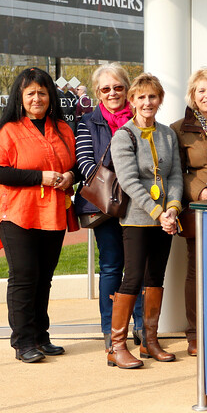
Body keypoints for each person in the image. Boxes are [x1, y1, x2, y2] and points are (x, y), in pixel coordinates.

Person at [0, 67, 76, 363]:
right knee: (24, 276)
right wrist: (40, 178)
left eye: (42, 93)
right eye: (31, 93)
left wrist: (71, 175)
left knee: (43, 278)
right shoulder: (7, 130)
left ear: (51, 97)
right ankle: (23, 341)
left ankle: (40, 336)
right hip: (17, 214)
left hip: (53, 213)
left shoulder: (63, 129)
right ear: (20, 97)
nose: (37, 98)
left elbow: (74, 164)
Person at [108, 73, 183, 369]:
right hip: (138, 218)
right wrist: (157, 211)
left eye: (152, 96)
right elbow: (128, 181)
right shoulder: (123, 135)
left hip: (166, 219)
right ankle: (116, 346)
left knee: (156, 279)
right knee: (133, 278)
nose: (147, 102)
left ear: (160, 99)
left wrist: (173, 209)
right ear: (132, 101)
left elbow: (175, 174)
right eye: (141, 97)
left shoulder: (167, 134)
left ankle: (150, 342)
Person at [75, 63, 144, 350]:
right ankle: (111, 331)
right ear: (97, 93)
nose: (113, 92)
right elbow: (84, 164)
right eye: (106, 88)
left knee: (138, 268)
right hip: (106, 207)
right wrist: (124, 179)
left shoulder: (143, 120)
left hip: (140, 205)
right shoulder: (87, 123)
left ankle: (142, 328)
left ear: (128, 89)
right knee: (112, 267)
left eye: (118, 87)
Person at [170, 68, 207, 356]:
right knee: (197, 271)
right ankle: (195, 332)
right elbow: (175, 173)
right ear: (193, 96)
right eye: (201, 91)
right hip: (201, 210)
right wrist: (197, 191)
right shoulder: (178, 128)